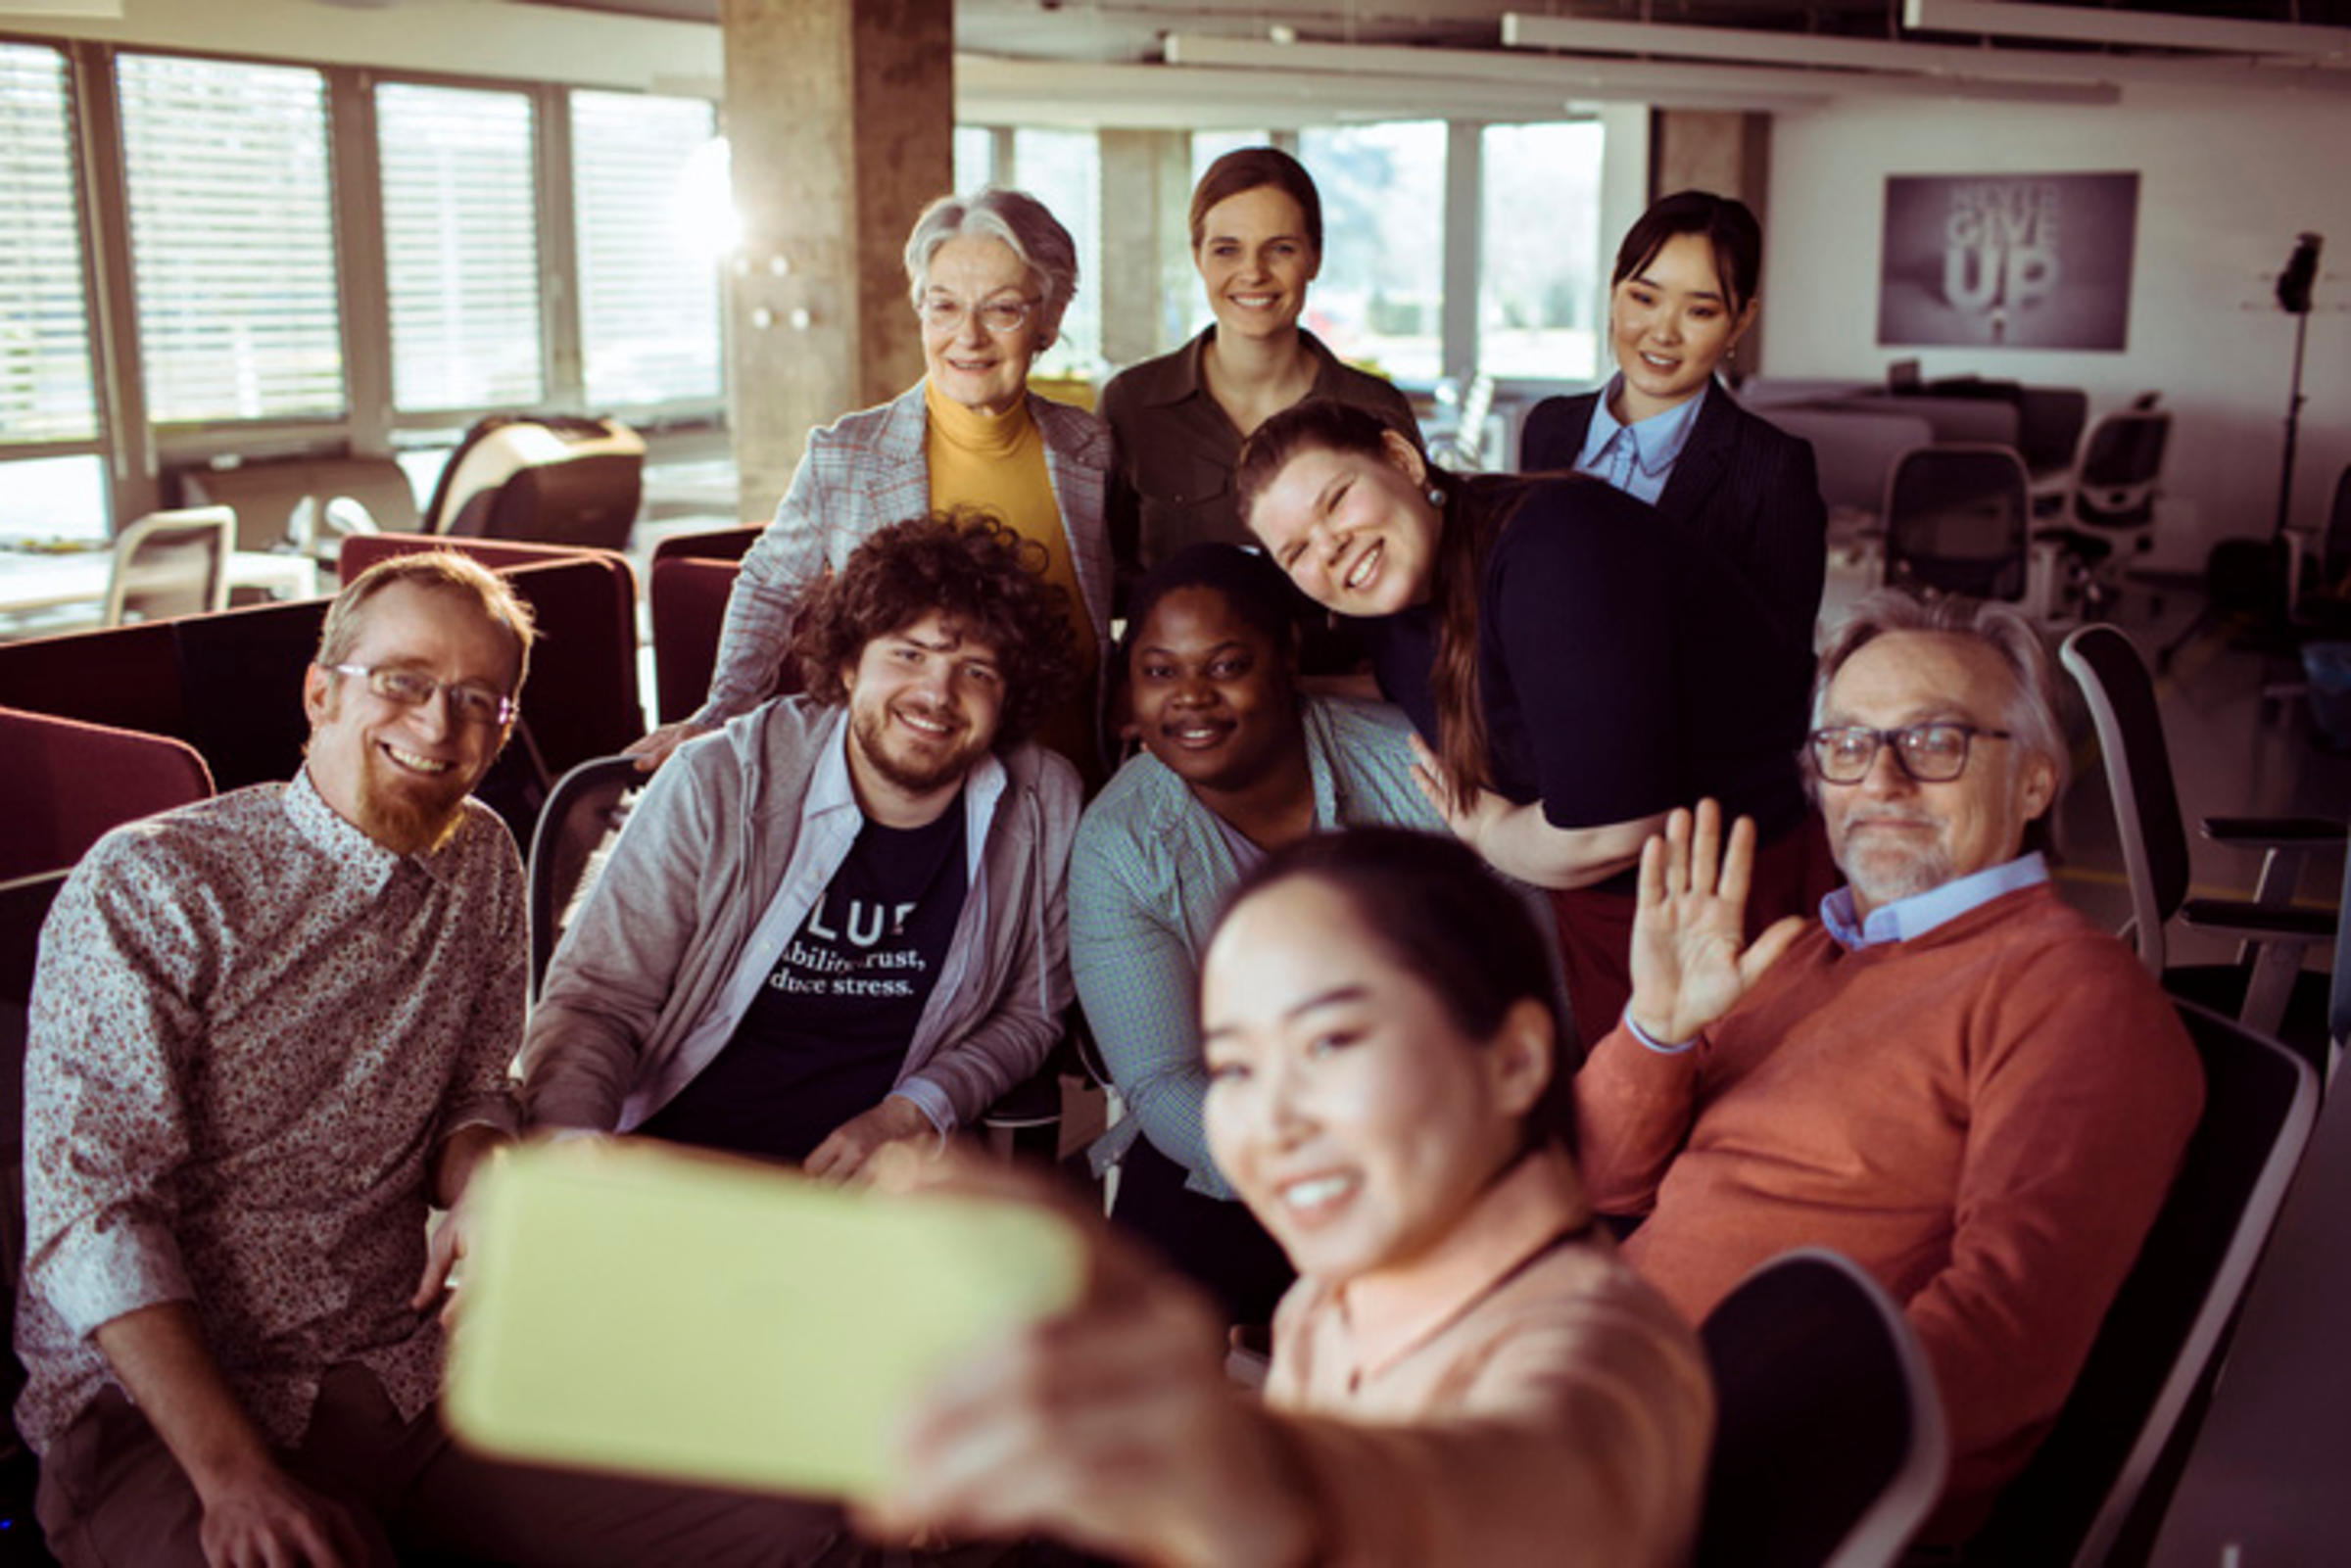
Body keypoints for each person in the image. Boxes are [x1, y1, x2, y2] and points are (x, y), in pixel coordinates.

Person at [17, 552, 834, 1566]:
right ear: (321, 691)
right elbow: (97, 1216)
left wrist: (488, 1171)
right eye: (402, 680)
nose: (440, 724)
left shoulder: (482, 855)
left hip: (404, 1372)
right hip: (169, 1412)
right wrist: (237, 1478)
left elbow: (476, 1089)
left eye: (478, 699)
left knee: (791, 1512)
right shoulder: (156, 883)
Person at [872, 828, 1712, 1567]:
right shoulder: (1323, 1305)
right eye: (1235, 1067)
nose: (1268, 1120)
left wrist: (1273, 1478)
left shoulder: (1611, 1356)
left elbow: (1501, 1487)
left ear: (1515, 1059)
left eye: (1331, 1040)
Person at [1575, 591, 2205, 1542]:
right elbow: (1600, 1174)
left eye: (1936, 741)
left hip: (1702, 1485)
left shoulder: (2067, 991)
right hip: (1583, 1391)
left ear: (2035, 781)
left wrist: (1693, 1470)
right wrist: (1656, 1028)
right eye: (1848, 745)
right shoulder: (1793, 955)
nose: (1881, 781)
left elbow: (2005, 1344)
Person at [1237, 397, 1823, 1044]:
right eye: (1296, 551)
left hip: (1741, 903)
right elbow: (1423, 674)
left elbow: (1615, 830)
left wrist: (1489, 830)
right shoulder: (1398, 591)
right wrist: (1273, 687)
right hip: (1615, 926)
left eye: (1337, 500)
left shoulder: (1554, 547)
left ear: (1401, 459)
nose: (1330, 546)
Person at [522, 513, 1081, 1180]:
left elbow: (1030, 1013)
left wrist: (913, 1111)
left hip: (879, 1186)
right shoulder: (720, 780)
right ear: (849, 664)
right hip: (671, 1161)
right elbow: (598, 999)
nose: (938, 693)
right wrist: (567, 1151)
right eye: (909, 653)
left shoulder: (1043, 801)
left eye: (978, 671)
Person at [1074, 543, 1448, 1324]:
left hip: (1432, 1114)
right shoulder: (1122, 839)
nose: (1192, 699)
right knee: (1139, 1314)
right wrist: (1303, 1167)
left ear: (1288, 656)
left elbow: (1526, 970)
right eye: (1160, 670)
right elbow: (1161, 1077)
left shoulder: (1408, 763)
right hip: (1240, 1133)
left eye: (1225, 664)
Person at [630, 186, 1112, 777]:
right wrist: (720, 713)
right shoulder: (848, 455)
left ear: (1050, 317)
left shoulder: (1091, 449)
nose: (969, 336)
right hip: (910, 794)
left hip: (1078, 786)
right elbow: (768, 586)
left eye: (1001, 308)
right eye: (944, 306)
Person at [1520, 189, 1827, 654]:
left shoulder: (1773, 469)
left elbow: (1779, 672)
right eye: (1644, 298)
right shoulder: (1549, 428)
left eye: (1700, 311)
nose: (1663, 333)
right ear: (1613, 293)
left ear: (1741, 321)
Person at [1098, 146, 1418, 586]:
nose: (1253, 273)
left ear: (1314, 258)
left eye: (1280, 249)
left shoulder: (1375, 407)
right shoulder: (1132, 404)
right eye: (1227, 250)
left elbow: (1416, 566)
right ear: (1198, 258)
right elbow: (1105, 573)